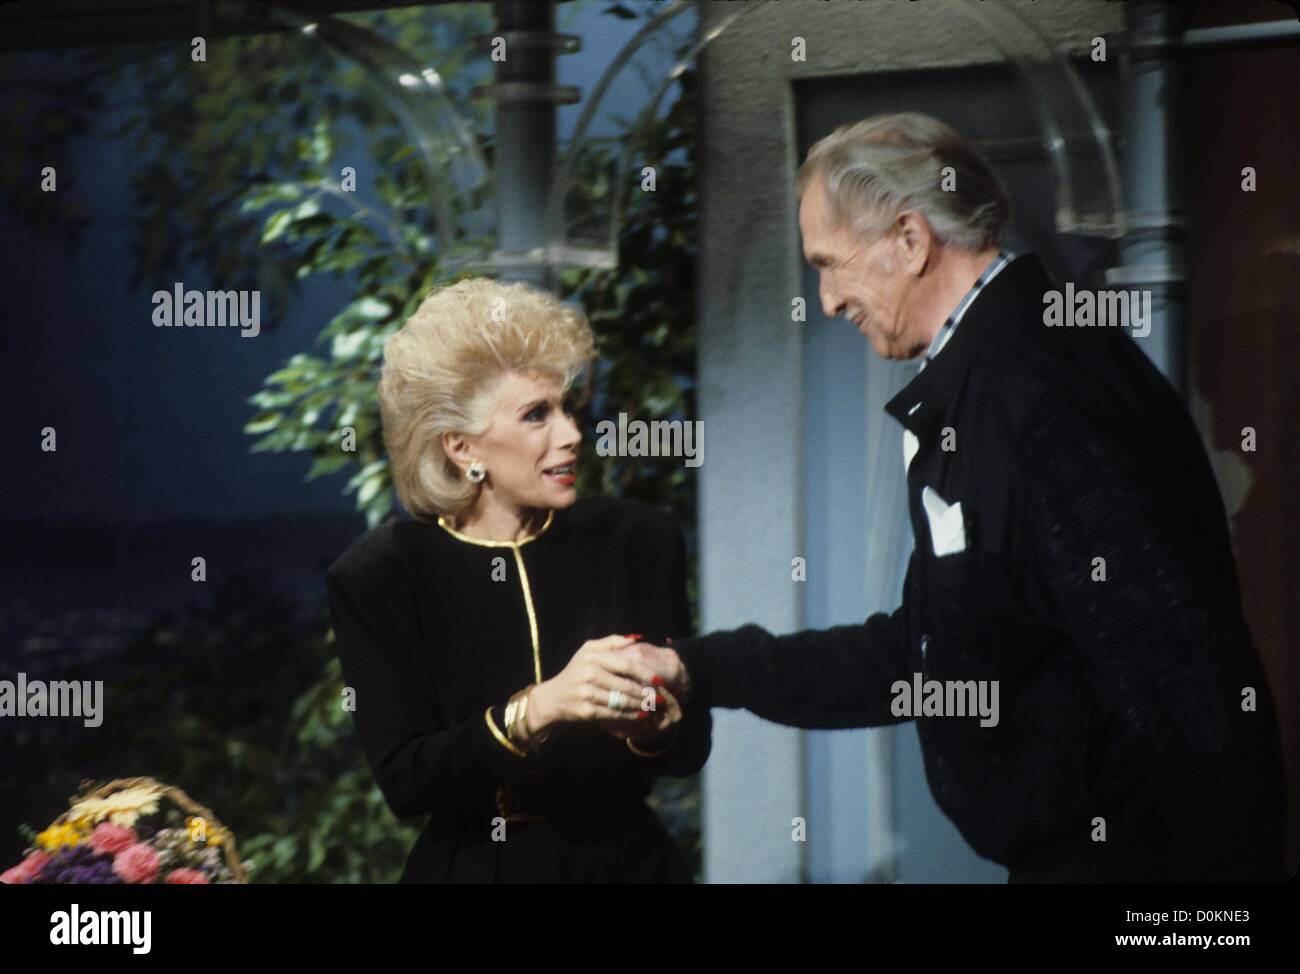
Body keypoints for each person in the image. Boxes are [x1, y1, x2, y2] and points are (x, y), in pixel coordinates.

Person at [632, 112, 1288, 883]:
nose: (827, 297)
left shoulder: (1039, 388)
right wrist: (697, 669)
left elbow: (1186, 683)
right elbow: (917, 653)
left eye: (830, 263)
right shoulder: (991, 378)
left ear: (910, 241)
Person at [325, 277, 710, 883]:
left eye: (565, 408)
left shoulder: (635, 539)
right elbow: (406, 780)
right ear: (461, 447)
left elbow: (691, 749)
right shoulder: (381, 575)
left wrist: (656, 729)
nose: (571, 434)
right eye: (537, 415)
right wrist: (538, 709)